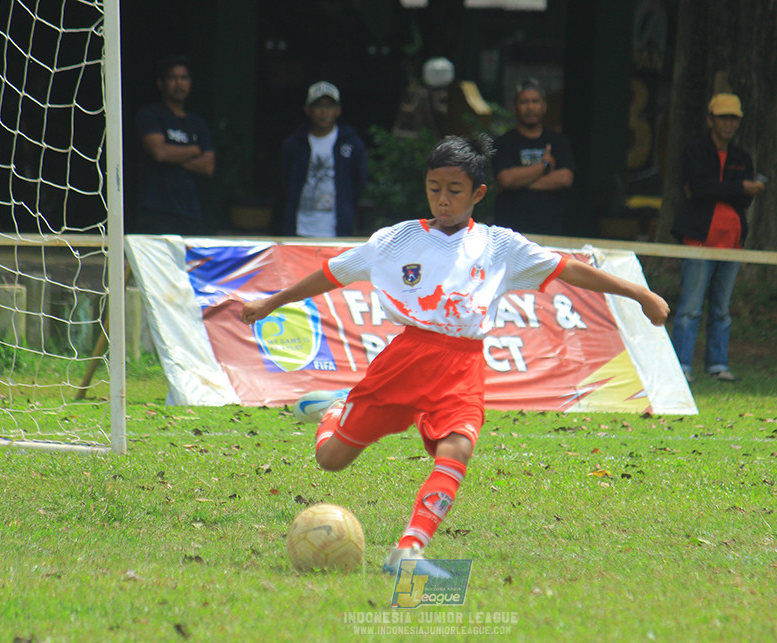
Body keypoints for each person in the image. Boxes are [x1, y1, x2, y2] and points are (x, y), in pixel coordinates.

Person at [241, 135, 669, 572]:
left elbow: (571, 269)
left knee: (458, 447)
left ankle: (408, 551)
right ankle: (334, 410)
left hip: (464, 365)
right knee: (331, 460)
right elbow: (331, 274)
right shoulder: (395, 240)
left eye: (454, 190)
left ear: (478, 193)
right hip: (407, 360)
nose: (442, 199)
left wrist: (639, 293)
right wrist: (271, 302)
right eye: (434, 188)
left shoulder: (501, 246)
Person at [670, 93, 765, 383]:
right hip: (699, 238)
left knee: (721, 309)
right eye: (723, 117)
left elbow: (722, 194)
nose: (728, 123)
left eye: (733, 118)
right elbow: (699, 188)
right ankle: (682, 365)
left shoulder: (741, 157)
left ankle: (717, 364)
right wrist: (739, 188)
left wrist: (726, 188)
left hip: (732, 241)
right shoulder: (695, 150)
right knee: (689, 308)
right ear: (710, 119)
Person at [134, 54, 215, 235]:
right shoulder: (150, 115)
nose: (179, 83)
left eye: (184, 78)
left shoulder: (197, 124)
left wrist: (174, 155)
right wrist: (194, 150)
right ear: (160, 83)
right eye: (173, 78)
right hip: (157, 209)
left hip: (189, 211)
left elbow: (208, 166)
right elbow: (159, 153)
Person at [281, 81, 368, 237]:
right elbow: (286, 181)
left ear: (338, 110)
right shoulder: (294, 144)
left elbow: (358, 181)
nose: (324, 112)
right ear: (308, 110)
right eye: (318, 106)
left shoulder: (352, 144)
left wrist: (346, 206)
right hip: (300, 228)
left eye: (329, 106)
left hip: (336, 229)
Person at [492, 77, 575, 235]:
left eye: (535, 101)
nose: (530, 107)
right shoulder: (503, 143)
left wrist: (520, 182)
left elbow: (565, 178)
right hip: (510, 231)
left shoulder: (558, 141)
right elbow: (505, 179)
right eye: (524, 102)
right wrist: (544, 167)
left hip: (550, 229)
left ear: (544, 106)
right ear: (515, 107)